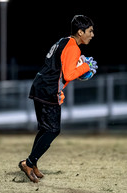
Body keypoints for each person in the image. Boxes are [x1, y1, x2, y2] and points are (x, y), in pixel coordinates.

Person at [19, 15, 97, 183]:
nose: (92, 34)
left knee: (45, 129)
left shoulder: (64, 41)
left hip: (40, 86)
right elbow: (68, 74)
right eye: (90, 31)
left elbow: (61, 70)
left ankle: (33, 163)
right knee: (53, 130)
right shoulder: (73, 48)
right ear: (80, 31)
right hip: (47, 91)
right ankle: (29, 162)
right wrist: (85, 67)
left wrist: (80, 66)